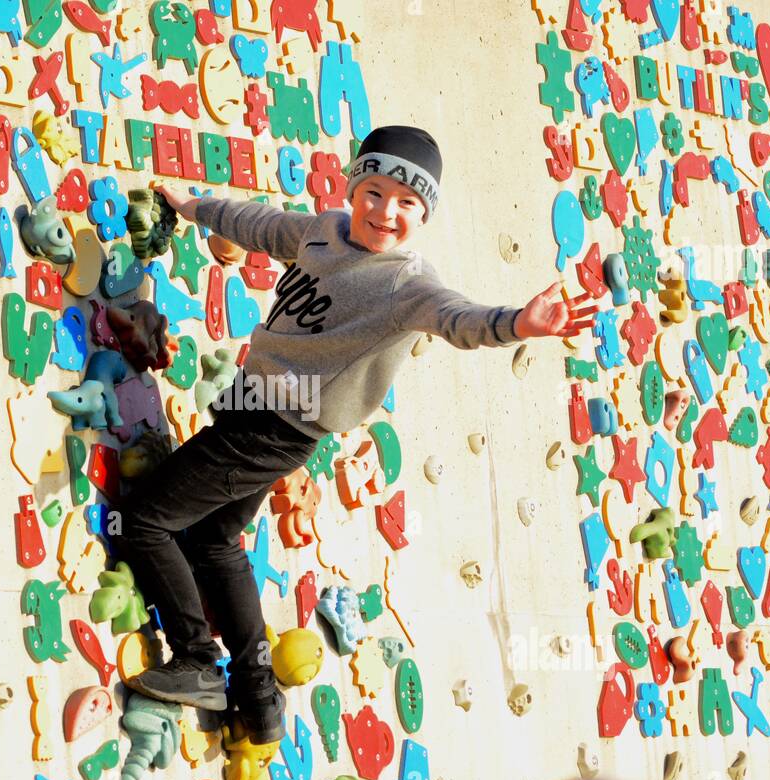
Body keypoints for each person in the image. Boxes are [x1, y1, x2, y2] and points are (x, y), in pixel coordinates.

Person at [114, 125, 594, 744]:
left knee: (146, 519)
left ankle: (198, 660)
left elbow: (458, 319)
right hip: (252, 404)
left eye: (407, 205)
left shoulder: (406, 284)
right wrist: (193, 207)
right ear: (353, 185)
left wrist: (517, 324)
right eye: (374, 192)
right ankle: (259, 701)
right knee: (215, 539)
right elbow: (259, 224)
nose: (385, 213)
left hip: (276, 426)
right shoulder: (323, 231)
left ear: (425, 215)